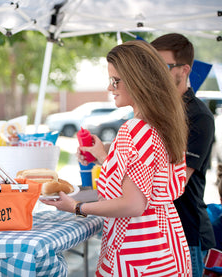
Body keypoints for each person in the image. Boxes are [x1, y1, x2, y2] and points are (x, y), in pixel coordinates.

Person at [41, 40, 191, 276]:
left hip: (138, 254)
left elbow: (133, 204)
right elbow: (143, 182)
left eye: (115, 80)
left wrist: (77, 207)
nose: (110, 88)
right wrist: (103, 155)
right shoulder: (163, 125)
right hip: (165, 248)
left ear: (138, 80)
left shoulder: (134, 129)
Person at [151, 33, 216, 277]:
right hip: (157, 231)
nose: (155, 74)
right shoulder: (156, 110)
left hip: (188, 236)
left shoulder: (198, 117)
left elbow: (172, 184)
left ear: (184, 70)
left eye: (163, 67)